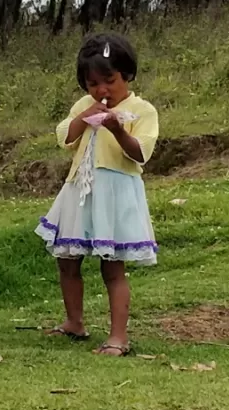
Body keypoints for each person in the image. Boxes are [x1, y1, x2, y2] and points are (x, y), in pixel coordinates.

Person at [36, 32, 158, 356]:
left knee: (112, 266)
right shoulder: (84, 106)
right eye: (93, 84)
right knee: (67, 259)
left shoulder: (141, 110)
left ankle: (118, 337)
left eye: (110, 80)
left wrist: (117, 128)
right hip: (79, 191)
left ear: (127, 75)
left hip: (116, 194)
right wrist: (85, 115)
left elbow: (141, 153)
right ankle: (74, 322)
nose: (102, 90)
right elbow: (65, 136)